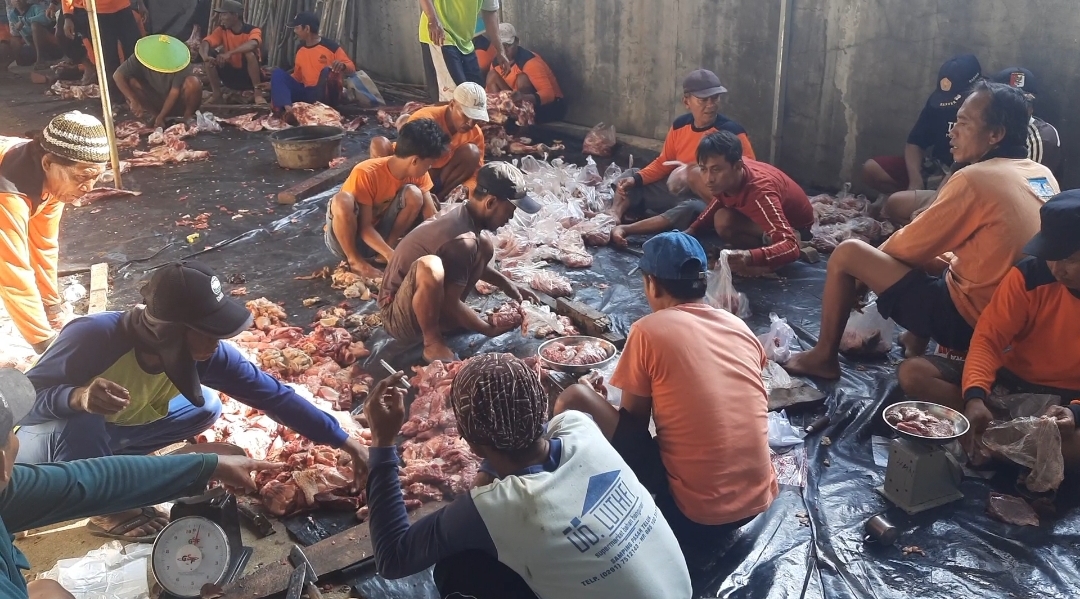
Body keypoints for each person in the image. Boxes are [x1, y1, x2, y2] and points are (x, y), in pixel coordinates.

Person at [15, 260, 370, 541]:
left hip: (114, 431)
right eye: (210, 332)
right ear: (169, 331)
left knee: (207, 406)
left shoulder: (208, 354)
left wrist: (346, 442)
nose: (219, 342)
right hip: (43, 441)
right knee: (85, 419)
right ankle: (107, 509)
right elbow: (22, 402)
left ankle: (116, 462)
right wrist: (76, 397)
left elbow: (273, 396)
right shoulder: (93, 337)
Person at [784, 81, 1058, 380]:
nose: (952, 131)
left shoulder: (977, 178)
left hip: (971, 322)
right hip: (1016, 318)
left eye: (963, 123)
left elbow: (907, 246)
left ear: (995, 135)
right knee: (936, 256)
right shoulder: (1040, 174)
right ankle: (914, 340)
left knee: (849, 254)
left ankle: (823, 357)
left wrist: (862, 279)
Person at [365, 354, 693, 599]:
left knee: (457, 568)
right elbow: (522, 440)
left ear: (471, 442)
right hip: (681, 588)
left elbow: (393, 558)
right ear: (540, 408)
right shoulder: (581, 428)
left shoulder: (498, 508)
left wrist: (382, 442)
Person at [553, 232, 777, 575]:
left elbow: (634, 426)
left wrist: (598, 404)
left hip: (694, 517)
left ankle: (553, 480)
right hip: (757, 502)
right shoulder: (738, 326)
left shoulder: (648, 330)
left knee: (575, 396)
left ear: (652, 285)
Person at [0, 367, 281, 599]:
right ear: (2, 463)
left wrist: (208, 466)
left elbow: (88, 481)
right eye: (9, 433)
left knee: (47, 591)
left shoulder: (5, 492)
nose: (16, 438)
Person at [896, 192, 1080, 427]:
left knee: (1071, 442)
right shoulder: (1029, 275)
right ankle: (1002, 432)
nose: (1057, 269)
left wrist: (1075, 413)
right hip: (1012, 380)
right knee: (914, 374)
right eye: (1050, 256)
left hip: (1069, 400)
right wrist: (974, 396)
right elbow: (988, 339)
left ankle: (1004, 437)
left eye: (1070, 260)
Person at [378, 162, 540, 363]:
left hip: (415, 302)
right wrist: (486, 329)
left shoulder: (463, 214)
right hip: (396, 314)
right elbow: (449, 301)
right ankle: (432, 341)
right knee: (430, 267)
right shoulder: (462, 240)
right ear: (490, 203)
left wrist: (507, 284)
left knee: (485, 245)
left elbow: (466, 263)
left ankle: (445, 321)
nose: (511, 217)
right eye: (510, 210)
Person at [612, 131, 814, 274]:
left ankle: (766, 258)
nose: (708, 178)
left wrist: (749, 257)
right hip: (762, 218)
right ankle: (760, 248)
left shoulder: (761, 193)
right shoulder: (728, 180)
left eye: (716, 169)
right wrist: (692, 230)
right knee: (720, 216)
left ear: (737, 166)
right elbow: (719, 201)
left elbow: (791, 246)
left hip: (795, 229)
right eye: (704, 169)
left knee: (724, 222)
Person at [0, 111, 110, 354]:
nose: (88, 189)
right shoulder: (9, 192)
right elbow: (13, 271)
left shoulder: (54, 176)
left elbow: (43, 245)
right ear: (48, 163)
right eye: (82, 177)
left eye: (95, 178)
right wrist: (47, 347)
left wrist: (53, 306)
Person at [612, 69, 756, 225]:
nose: (711, 105)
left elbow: (750, 175)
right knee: (631, 176)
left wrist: (695, 175)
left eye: (715, 98)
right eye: (703, 100)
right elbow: (664, 163)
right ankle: (613, 216)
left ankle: (633, 226)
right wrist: (636, 180)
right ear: (687, 102)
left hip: (710, 198)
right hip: (677, 190)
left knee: (691, 208)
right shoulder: (680, 126)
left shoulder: (733, 132)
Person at [326, 119, 449, 278]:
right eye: (430, 163)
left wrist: (447, 247)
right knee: (343, 201)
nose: (430, 167)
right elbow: (364, 228)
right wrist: (392, 256)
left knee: (414, 194)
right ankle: (355, 260)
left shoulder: (419, 174)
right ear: (415, 160)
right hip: (347, 240)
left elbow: (431, 215)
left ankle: (384, 252)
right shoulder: (366, 172)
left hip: (379, 237)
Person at [868, 55, 982, 225]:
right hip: (938, 170)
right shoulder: (939, 103)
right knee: (872, 169)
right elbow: (915, 142)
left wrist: (938, 197)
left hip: (964, 179)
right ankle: (917, 202)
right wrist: (915, 180)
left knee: (897, 205)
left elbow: (965, 166)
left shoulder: (986, 110)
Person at [369, 82, 489, 198]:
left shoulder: (475, 133)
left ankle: (441, 197)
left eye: (476, 119)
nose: (470, 123)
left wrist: (466, 189)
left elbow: (476, 172)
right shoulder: (425, 119)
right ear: (452, 104)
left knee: (472, 153)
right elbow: (411, 163)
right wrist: (421, 191)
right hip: (410, 175)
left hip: (439, 179)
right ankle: (391, 194)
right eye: (466, 115)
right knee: (380, 144)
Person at [418, 0, 503, 102]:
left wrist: (500, 51)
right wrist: (432, 19)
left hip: (465, 41)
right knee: (454, 98)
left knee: (477, 97)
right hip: (440, 36)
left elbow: (490, 13)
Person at [270, 11, 355, 112]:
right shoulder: (300, 49)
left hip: (325, 95)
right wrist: (279, 83)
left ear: (307, 29)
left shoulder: (330, 46)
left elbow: (352, 68)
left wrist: (342, 66)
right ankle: (288, 111)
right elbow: (297, 76)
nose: (295, 31)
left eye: (297, 28)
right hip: (307, 93)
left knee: (327, 71)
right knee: (277, 74)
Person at [114, 35, 202, 129]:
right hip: (154, 98)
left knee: (193, 82)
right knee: (132, 81)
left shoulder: (180, 61)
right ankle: (155, 115)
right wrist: (133, 99)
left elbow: (174, 92)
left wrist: (162, 115)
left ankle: (187, 117)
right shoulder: (140, 57)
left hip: (178, 102)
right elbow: (117, 75)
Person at [60, 0, 144, 96]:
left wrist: (140, 3)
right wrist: (67, 17)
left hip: (124, 8)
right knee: (109, 58)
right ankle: (117, 99)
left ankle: (140, 96)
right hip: (98, 13)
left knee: (134, 54)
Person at [486, 23, 565, 124]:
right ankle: (500, 121)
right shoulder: (496, 62)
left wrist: (523, 97)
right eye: (500, 46)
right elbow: (489, 91)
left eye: (508, 45)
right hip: (516, 100)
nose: (504, 50)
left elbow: (549, 95)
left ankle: (524, 125)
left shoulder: (529, 62)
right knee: (491, 76)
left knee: (522, 78)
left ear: (517, 42)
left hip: (550, 107)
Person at [991, 67, 1061, 174]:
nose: (1018, 108)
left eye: (1025, 101)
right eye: (1010, 102)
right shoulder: (986, 127)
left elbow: (1028, 182)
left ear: (1032, 106)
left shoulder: (1040, 137)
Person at [200, 0, 265, 105]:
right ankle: (217, 95)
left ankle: (258, 93)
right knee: (210, 57)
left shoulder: (253, 30)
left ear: (235, 16)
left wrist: (229, 53)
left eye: (224, 14)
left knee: (249, 53)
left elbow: (253, 43)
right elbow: (206, 42)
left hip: (248, 76)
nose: (221, 18)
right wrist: (205, 57)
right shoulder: (222, 30)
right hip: (231, 76)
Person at [7, 0, 55, 69]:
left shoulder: (35, 8)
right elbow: (18, 33)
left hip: (49, 43)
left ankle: (40, 59)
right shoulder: (13, 15)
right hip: (31, 44)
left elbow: (46, 18)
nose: (17, 0)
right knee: (14, 42)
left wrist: (24, 21)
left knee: (35, 25)